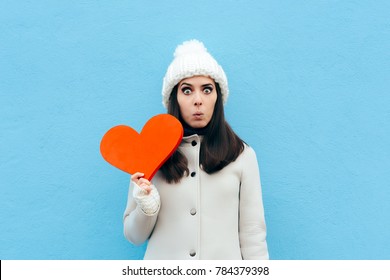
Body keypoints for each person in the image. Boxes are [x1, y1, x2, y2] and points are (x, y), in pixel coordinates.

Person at [123, 39, 269, 260]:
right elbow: (134, 236)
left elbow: (253, 234)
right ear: (175, 98)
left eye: (207, 89)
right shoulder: (151, 154)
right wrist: (146, 205)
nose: (198, 100)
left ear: (218, 97)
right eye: (187, 90)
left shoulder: (242, 155)